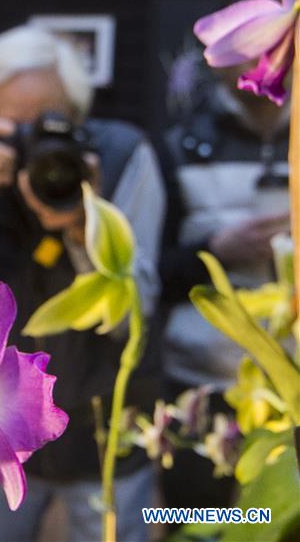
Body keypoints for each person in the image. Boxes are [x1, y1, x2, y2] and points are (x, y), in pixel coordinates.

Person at [0, 26, 165, 542]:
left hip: (109, 427)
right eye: (10, 129)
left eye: (47, 126)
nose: (31, 146)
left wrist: (83, 225)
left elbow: (135, 312)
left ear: (78, 117)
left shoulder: (123, 157)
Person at [155, 54, 290, 515]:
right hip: (200, 378)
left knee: (278, 523)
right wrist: (217, 250)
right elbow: (152, 271)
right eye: (239, 49)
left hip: (291, 381)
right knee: (196, 521)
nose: (258, 62)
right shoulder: (179, 145)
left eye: (271, 47)